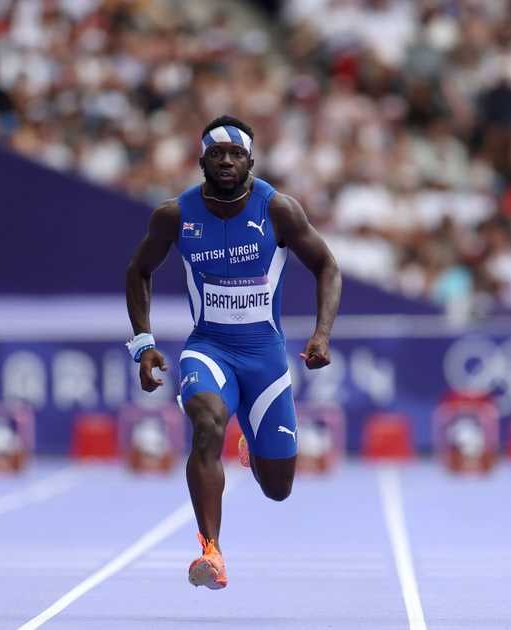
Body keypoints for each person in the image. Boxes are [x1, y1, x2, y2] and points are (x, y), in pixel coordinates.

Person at [125, 115, 341, 588]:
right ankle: (211, 551)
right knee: (205, 424)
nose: (226, 161)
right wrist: (143, 343)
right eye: (217, 153)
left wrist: (321, 334)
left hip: (266, 357)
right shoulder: (175, 215)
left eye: (236, 154)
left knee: (278, 488)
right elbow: (138, 270)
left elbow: (326, 264)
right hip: (208, 348)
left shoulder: (277, 209)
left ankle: (250, 435)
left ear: (250, 161)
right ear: (201, 159)